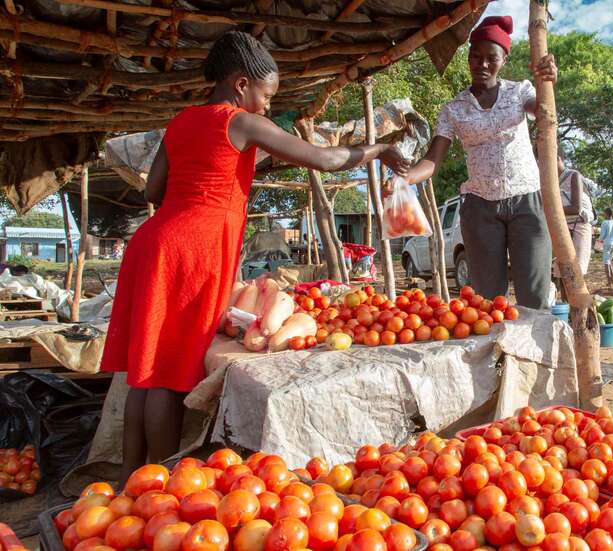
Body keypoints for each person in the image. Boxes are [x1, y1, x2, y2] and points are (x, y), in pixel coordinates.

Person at [100, 31, 409, 481]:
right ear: (241, 84)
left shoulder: (181, 122)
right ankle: (160, 489)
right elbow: (325, 160)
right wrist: (378, 149)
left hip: (154, 242)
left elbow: (153, 191)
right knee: (168, 373)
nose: (267, 106)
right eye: (266, 95)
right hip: (191, 250)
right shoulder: (241, 122)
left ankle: (132, 480)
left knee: (145, 371)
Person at [384, 15, 558, 309]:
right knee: (487, 299)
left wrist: (547, 81)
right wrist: (405, 178)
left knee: (534, 295)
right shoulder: (453, 109)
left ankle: (535, 340)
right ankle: (494, 341)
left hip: (527, 202)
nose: (483, 64)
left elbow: (542, 112)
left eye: (492, 58)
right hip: (480, 209)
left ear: (504, 59)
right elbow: (432, 160)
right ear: (468, 58)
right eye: (476, 57)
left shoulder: (520, 92)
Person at [556, 150, 594, 277]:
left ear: (557, 158)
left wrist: (549, 210)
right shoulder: (550, 181)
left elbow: (576, 209)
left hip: (579, 227)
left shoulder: (573, 176)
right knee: (562, 273)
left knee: (576, 273)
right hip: (562, 228)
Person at [599, 208, 613, 286]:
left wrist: (598, 240)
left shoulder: (604, 223)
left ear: (607, 214)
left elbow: (602, 235)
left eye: (604, 214)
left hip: (606, 244)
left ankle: (609, 281)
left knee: (606, 263)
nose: (604, 215)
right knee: (609, 262)